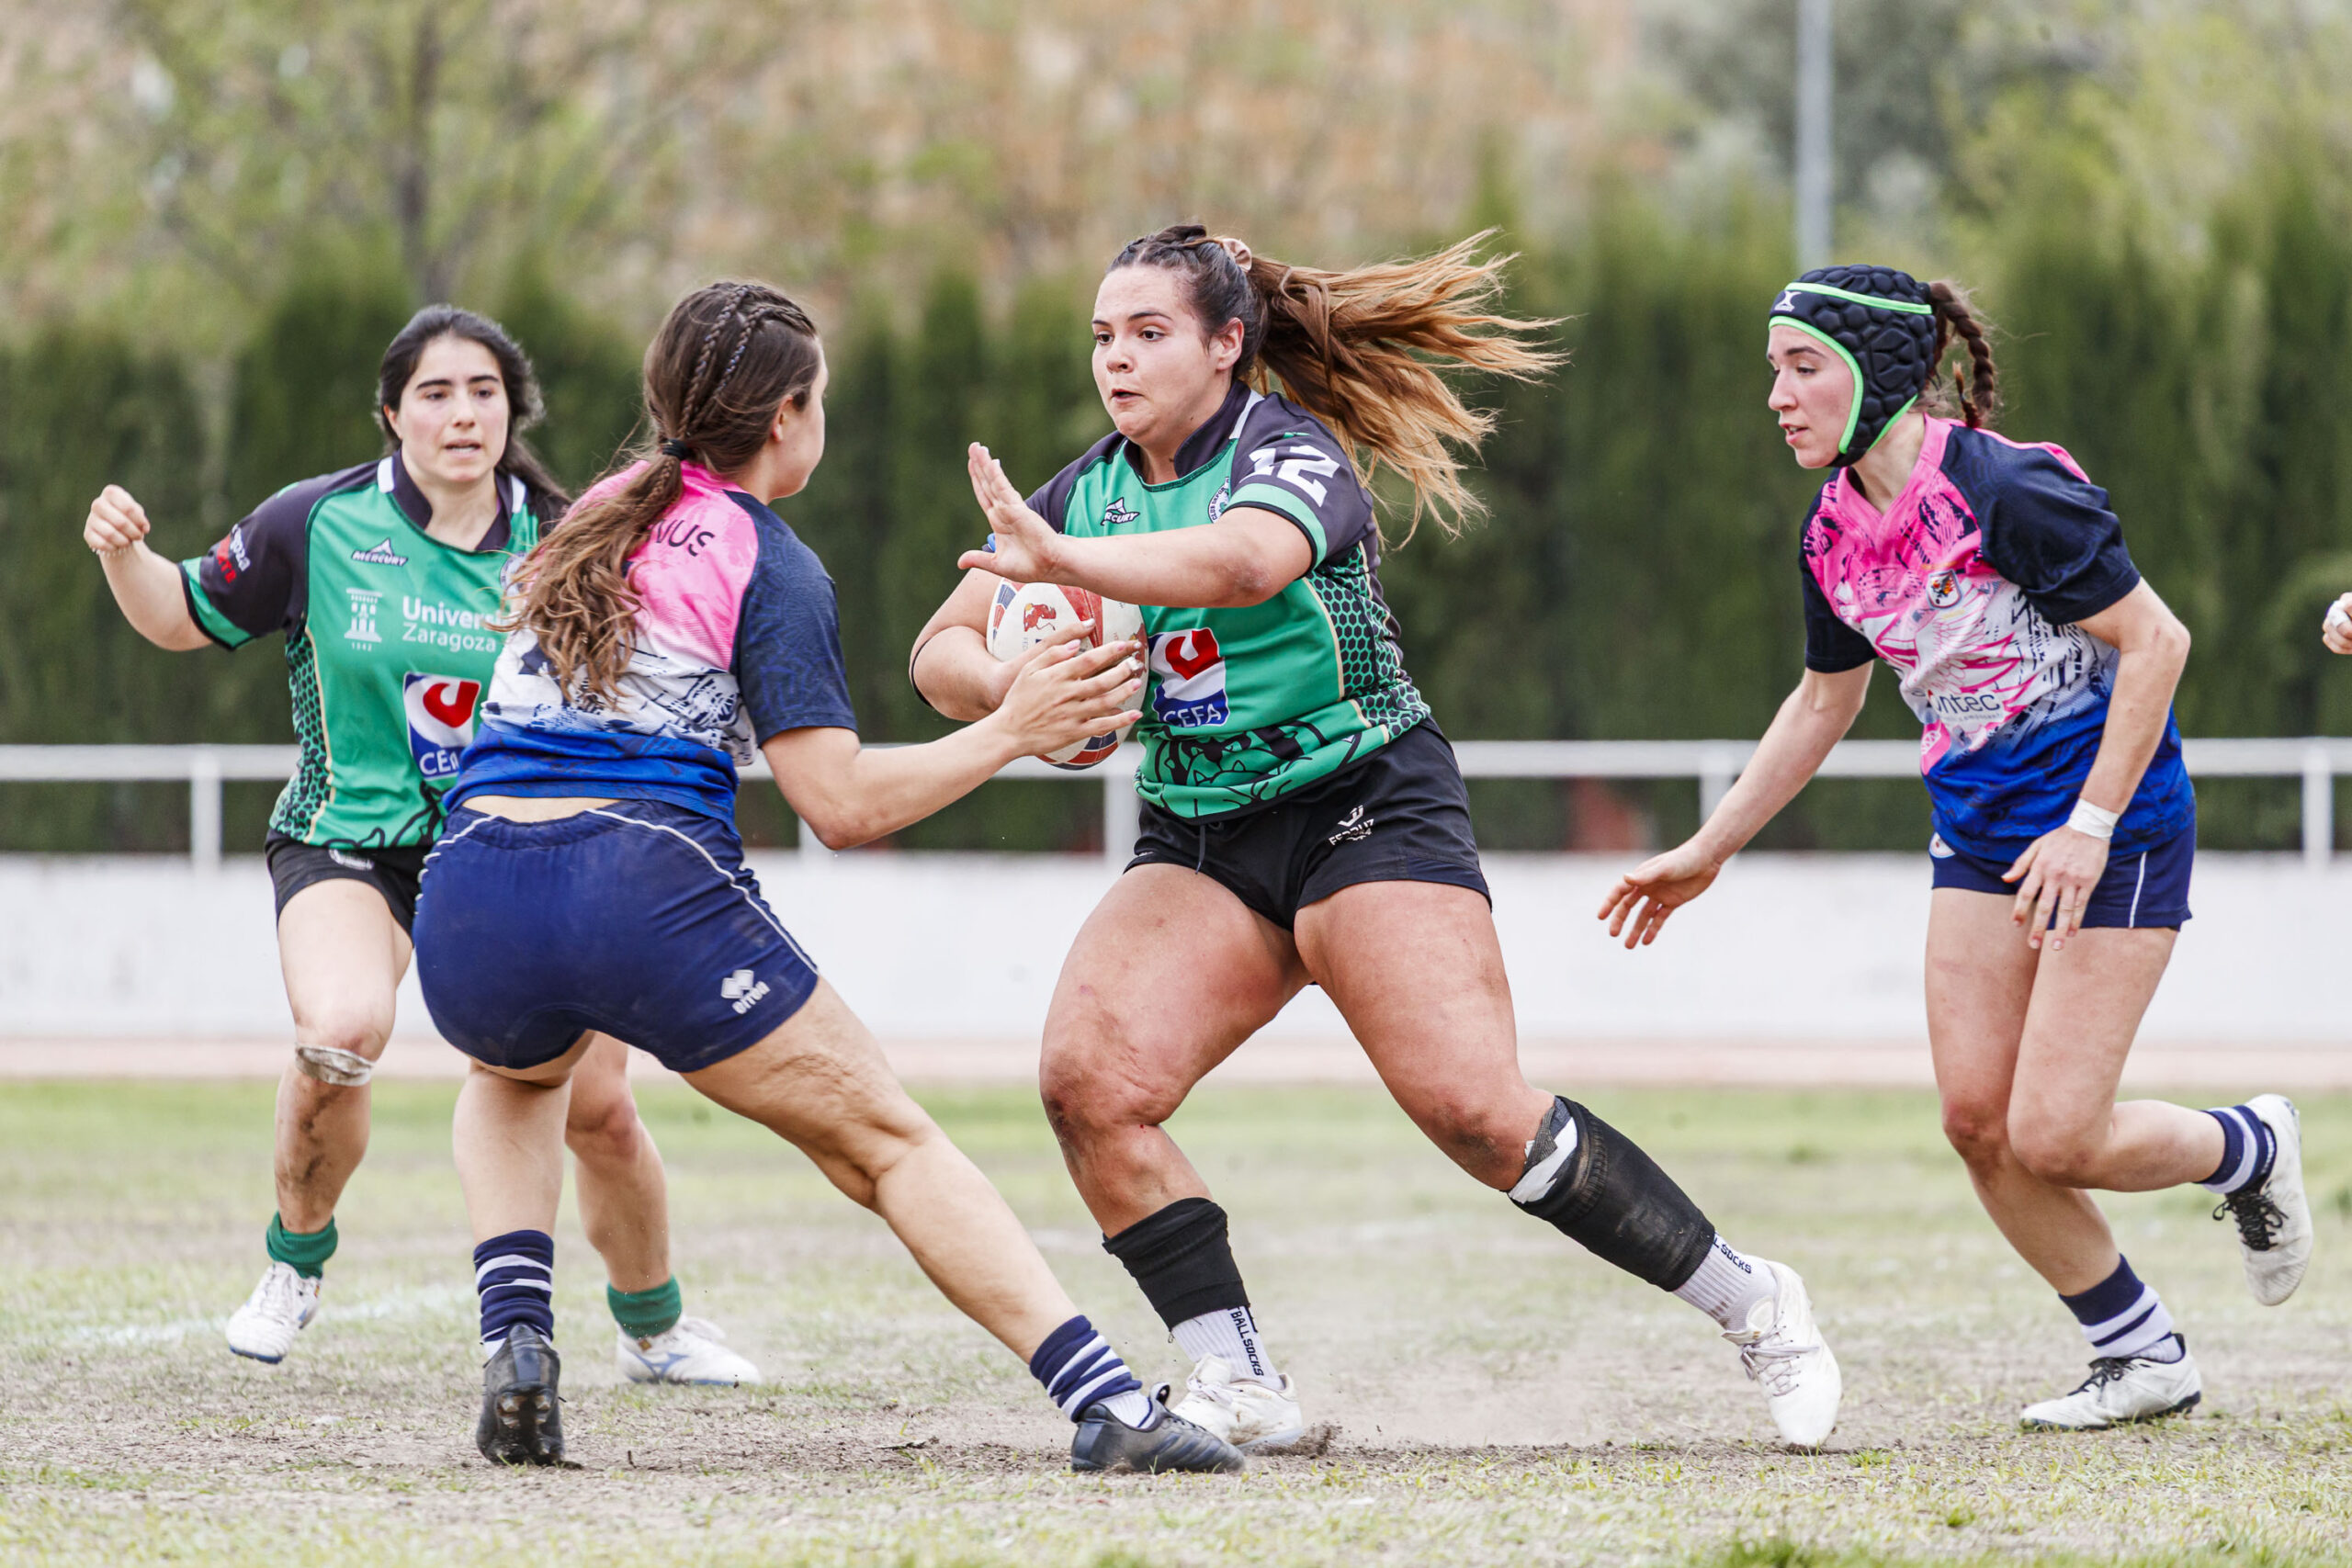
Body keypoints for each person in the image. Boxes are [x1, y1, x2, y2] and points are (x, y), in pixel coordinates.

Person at [908, 225, 1844, 1451]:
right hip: (1203, 831)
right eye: (1102, 336)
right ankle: (1238, 1376)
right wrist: (1014, 690)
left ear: (1226, 344)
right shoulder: (1081, 490)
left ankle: (1751, 1297)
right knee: (1089, 1086)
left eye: (1147, 332)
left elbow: (1244, 564)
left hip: (1363, 802)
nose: (1115, 359)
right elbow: (937, 648)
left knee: (1476, 1113)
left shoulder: (1286, 452)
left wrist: (1069, 565)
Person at [411, 279, 1242, 1475]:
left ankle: (519, 1345)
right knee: (889, 1145)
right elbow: (840, 805)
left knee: (511, 1073)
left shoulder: (588, 513)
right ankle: (1107, 1402)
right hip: (635, 882)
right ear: (787, 417)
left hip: (469, 885)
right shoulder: (769, 558)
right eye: (821, 400)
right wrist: (1012, 729)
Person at [1599, 265, 2313, 1431]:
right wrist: (1708, 848)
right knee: (1978, 1124)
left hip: (2113, 826)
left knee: (2057, 1134)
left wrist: (2087, 827)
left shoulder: (2006, 490)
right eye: (1772, 370)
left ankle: (2246, 1148)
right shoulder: (1830, 529)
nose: (1776, 396)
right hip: (1979, 836)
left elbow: (2158, 642)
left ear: (1877, 373)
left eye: (1802, 368)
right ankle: (2139, 1353)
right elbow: (1823, 701)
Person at [82, 307, 757, 1387]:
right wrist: (126, 556)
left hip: (518, 852)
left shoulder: (570, 535)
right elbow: (177, 615)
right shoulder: (317, 522)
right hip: (350, 841)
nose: (463, 414)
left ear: (513, 412)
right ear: (392, 414)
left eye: (484, 392)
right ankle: (295, 1262)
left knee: (598, 1110)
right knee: (340, 1031)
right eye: (436, 394)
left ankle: (654, 1328)